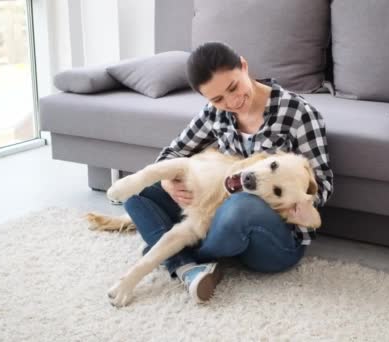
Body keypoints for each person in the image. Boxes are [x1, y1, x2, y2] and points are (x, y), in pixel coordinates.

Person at [123, 42, 334, 303]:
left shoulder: (298, 113)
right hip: (218, 219)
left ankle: (177, 256)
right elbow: (173, 153)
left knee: (241, 205)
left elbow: (322, 185)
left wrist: (295, 203)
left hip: (273, 243)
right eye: (218, 98)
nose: (232, 101)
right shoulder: (215, 114)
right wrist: (168, 182)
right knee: (138, 192)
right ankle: (187, 265)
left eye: (233, 86)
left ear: (244, 66)